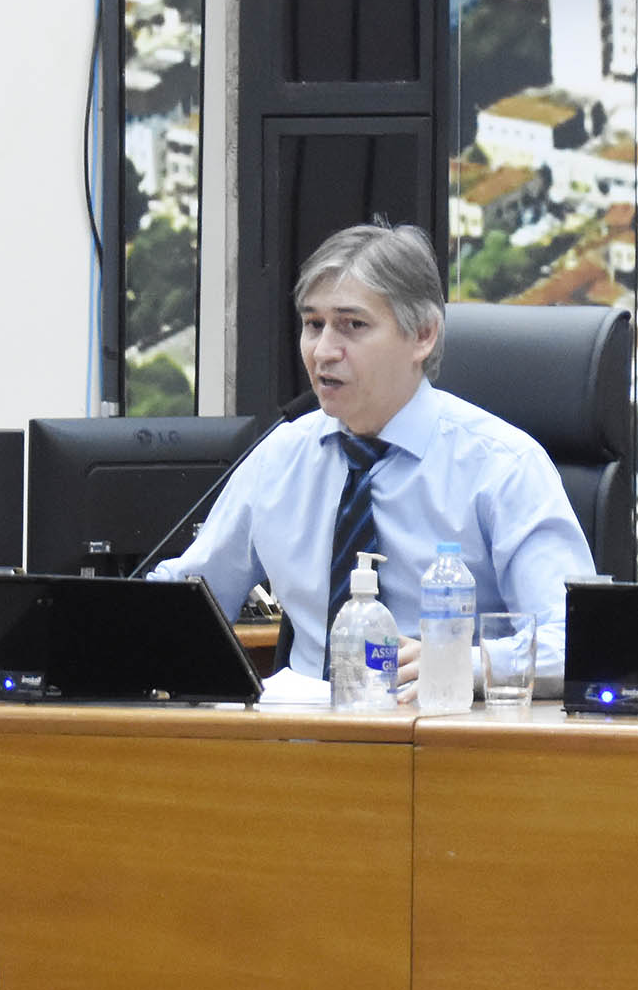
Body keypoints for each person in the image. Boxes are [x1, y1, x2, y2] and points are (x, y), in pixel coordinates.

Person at [153, 223, 595, 693]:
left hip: (448, 742)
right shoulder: (279, 456)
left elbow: (577, 641)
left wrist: (462, 664)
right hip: (301, 742)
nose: (323, 351)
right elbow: (190, 600)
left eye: (352, 325)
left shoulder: (502, 465)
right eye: (313, 324)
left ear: (422, 335)